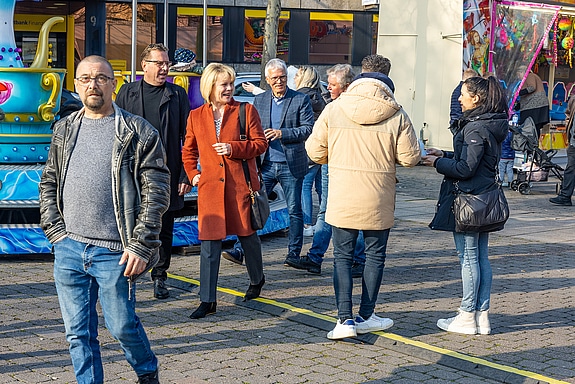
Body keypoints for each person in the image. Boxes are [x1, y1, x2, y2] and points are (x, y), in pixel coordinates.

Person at [39, 55, 169, 384]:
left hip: (116, 252)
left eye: (100, 78)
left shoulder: (138, 132)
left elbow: (156, 193)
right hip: (69, 248)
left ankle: (147, 371)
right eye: (85, 79)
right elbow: (49, 182)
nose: (92, 85)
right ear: (77, 85)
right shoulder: (64, 128)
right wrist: (56, 232)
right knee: (78, 334)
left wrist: (141, 245)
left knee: (122, 326)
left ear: (114, 84)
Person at [306, 73, 421, 340]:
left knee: (342, 258)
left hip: (343, 193)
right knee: (375, 257)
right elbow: (410, 158)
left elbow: (314, 151)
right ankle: (367, 315)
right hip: (378, 196)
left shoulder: (334, 109)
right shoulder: (397, 114)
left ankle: (344, 319)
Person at [422, 75, 509, 335]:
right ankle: (481, 315)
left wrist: (436, 163)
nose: (459, 98)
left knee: (469, 258)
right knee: (481, 257)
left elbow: (465, 168)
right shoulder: (488, 124)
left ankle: (467, 314)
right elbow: (474, 159)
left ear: (476, 98)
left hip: (470, 200)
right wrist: (444, 154)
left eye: (463, 94)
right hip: (483, 197)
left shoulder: (474, 127)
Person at [182, 63, 268, 319]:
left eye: (231, 83)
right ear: (210, 86)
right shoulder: (196, 115)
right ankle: (207, 299)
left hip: (240, 187)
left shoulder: (245, 110)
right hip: (209, 189)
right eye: (224, 84)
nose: (229, 88)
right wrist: (193, 174)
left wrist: (234, 148)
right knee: (209, 245)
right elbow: (188, 151)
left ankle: (257, 278)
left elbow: (260, 144)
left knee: (247, 237)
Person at [115, 43, 191, 300]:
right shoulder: (127, 93)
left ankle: (160, 276)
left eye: (166, 63)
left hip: (166, 172)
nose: (164, 68)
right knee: (130, 223)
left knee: (164, 226)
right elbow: (115, 132)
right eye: (158, 63)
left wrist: (185, 174)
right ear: (144, 65)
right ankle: (128, 274)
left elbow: (187, 138)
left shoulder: (177, 95)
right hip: (133, 173)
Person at [221, 59, 314, 267]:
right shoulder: (261, 100)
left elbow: (309, 128)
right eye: (274, 78)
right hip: (265, 164)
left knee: (294, 210)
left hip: (291, 164)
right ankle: (240, 249)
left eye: (282, 77)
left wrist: (283, 133)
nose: (279, 81)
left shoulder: (300, 99)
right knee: (252, 205)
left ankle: (293, 254)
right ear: (267, 80)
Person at [284, 63, 366, 276]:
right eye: (328, 84)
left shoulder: (345, 107)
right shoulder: (333, 104)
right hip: (335, 162)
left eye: (332, 84)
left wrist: (319, 157)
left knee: (345, 211)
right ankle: (318, 257)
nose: (328, 88)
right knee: (330, 210)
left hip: (344, 163)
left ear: (346, 86)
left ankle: (353, 259)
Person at [294, 66, 327, 237]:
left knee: (305, 186)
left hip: (307, 148)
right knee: (322, 187)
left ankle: (307, 224)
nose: (294, 77)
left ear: (304, 78)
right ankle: (327, 220)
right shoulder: (321, 97)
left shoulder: (300, 97)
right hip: (323, 148)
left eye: (297, 75)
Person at [550, 95, 575, 206]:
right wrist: (567, 122)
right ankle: (565, 196)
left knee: (571, 168)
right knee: (570, 169)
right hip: (573, 140)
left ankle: (565, 196)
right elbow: (568, 113)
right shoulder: (574, 99)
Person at [517, 66, 549, 137]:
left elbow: (532, 87)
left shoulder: (529, 76)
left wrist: (519, 93)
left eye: (519, 74)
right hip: (538, 106)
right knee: (535, 128)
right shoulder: (533, 76)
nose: (518, 77)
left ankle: (532, 145)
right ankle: (534, 144)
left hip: (534, 107)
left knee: (531, 127)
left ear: (523, 72)